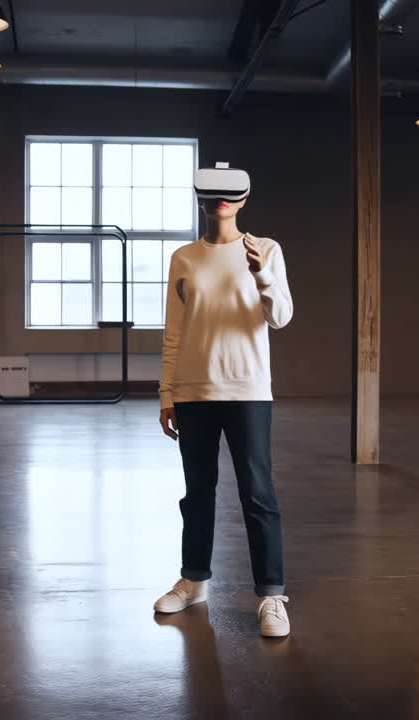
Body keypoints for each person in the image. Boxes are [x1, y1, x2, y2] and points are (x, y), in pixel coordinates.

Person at [152, 163, 295, 638]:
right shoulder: (185, 257)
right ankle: (193, 581)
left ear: (244, 200)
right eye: (213, 195)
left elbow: (281, 318)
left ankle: (271, 595)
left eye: (231, 195)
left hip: (248, 390)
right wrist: (167, 393)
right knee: (198, 493)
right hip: (194, 390)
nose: (222, 202)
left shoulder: (266, 249)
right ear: (201, 200)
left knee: (258, 494)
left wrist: (262, 276)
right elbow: (174, 332)